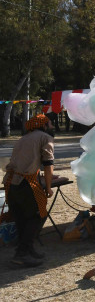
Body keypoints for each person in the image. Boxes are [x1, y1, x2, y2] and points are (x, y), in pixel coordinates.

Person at [3, 114, 55, 267]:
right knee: (38, 215)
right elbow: (48, 165)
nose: (52, 126)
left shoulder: (22, 139)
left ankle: (28, 249)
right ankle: (22, 254)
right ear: (44, 125)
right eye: (50, 124)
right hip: (25, 183)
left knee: (21, 218)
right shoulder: (45, 138)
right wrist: (49, 186)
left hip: (10, 182)